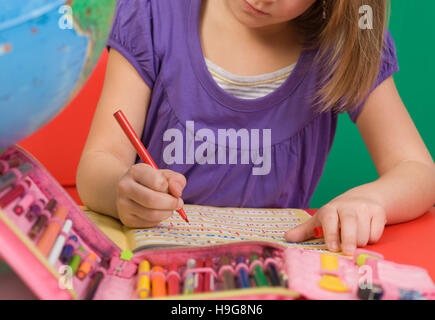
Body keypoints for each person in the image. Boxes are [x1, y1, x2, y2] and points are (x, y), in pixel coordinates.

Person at [76, 0, 435, 255]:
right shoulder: (150, 12)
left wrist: (370, 200)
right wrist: (121, 194)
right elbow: (98, 162)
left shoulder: (345, 39)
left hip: (269, 274)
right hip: (153, 266)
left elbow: (418, 171)